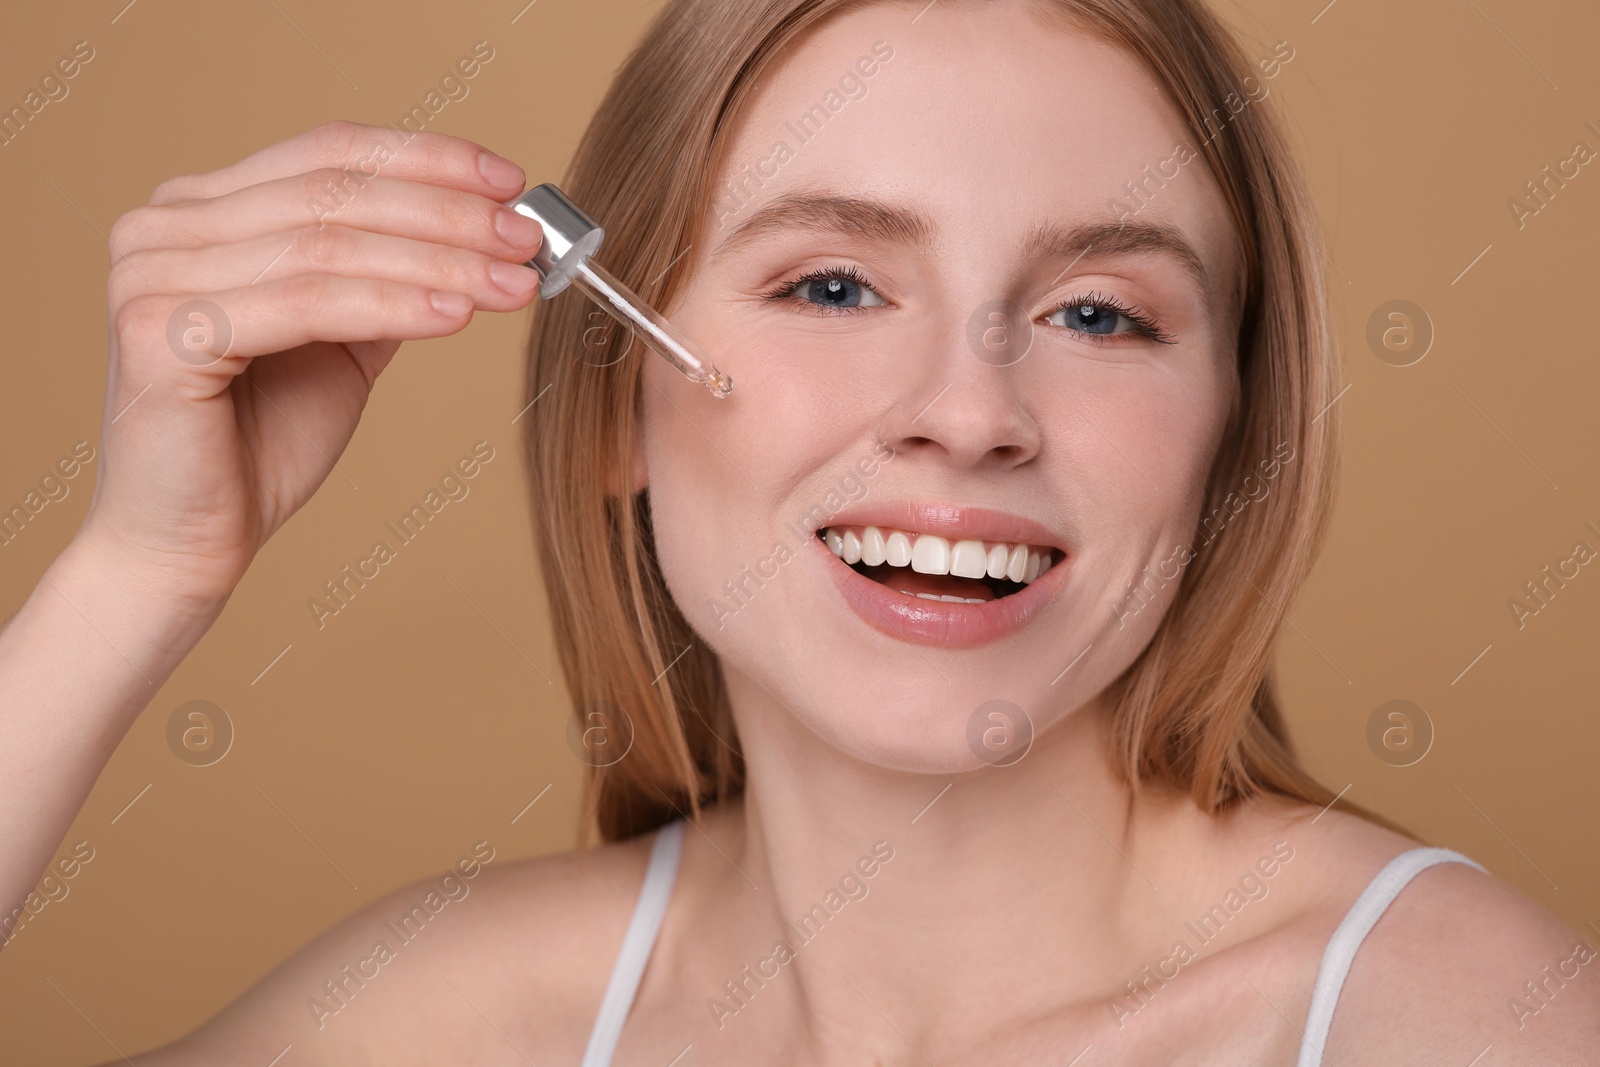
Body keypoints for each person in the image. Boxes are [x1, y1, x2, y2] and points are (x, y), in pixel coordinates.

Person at [3, 0, 1595, 1062]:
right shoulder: (467, 1014)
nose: (968, 412)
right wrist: (134, 578)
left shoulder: (1455, 1021)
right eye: (833, 285)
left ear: (1229, 431)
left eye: (1103, 312)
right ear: (617, 396)